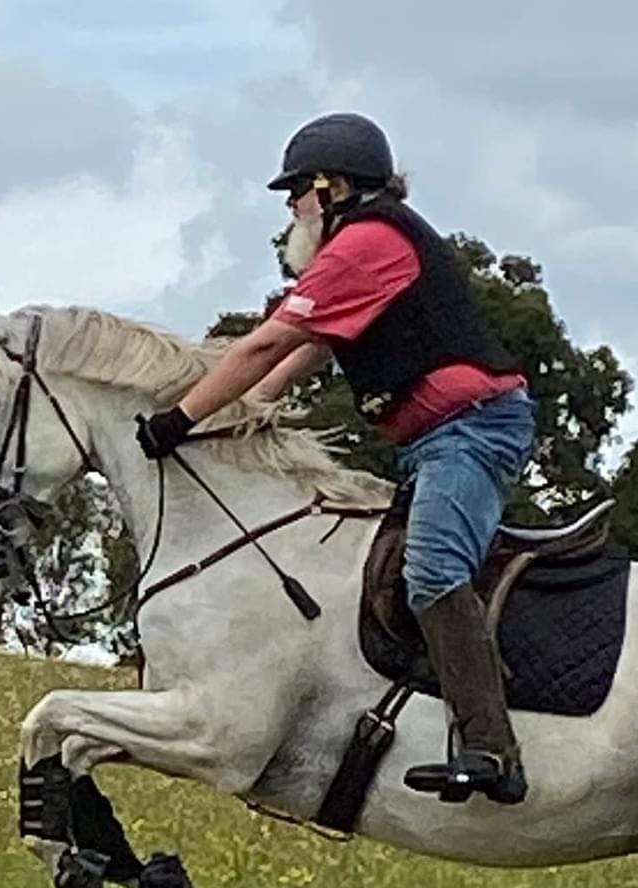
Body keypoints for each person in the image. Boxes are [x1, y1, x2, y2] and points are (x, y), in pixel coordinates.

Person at [136, 113, 537, 806]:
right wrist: (240, 417)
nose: (291, 207)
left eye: (296, 191)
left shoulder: (369, 242)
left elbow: (266, 343)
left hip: (470, 430)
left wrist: (179, 420)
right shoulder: (365, 247)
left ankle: (490, 751)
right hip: (436, 439)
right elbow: (305, 353)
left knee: (434, 569)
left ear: (332, 186)